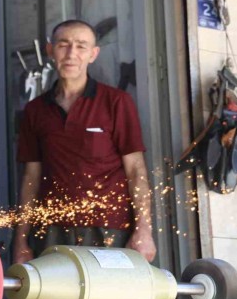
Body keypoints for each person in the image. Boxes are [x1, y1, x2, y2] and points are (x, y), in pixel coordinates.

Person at [12, 19, 156, 265]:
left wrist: (144, 230)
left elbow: (136, 170)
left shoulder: (116, 103)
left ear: (93, 54)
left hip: (110, 228)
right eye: (63, 45)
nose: (71, 54)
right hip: (52, 230)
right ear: (50, 50)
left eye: (81, 46)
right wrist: (21, 240)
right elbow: (31, 178)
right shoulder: (35, 110)